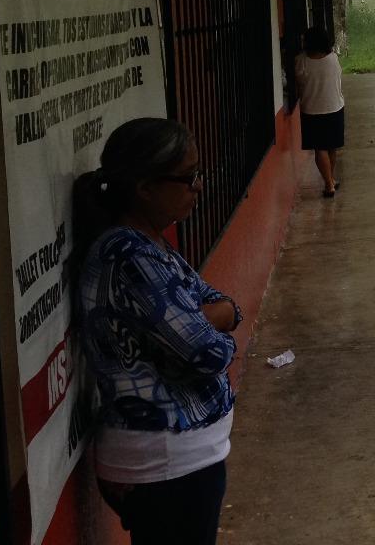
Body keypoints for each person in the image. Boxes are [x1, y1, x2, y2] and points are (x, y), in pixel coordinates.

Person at [73, 118, 240, 545]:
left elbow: (224, 303)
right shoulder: (129, 256)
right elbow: (207, 354)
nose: (198, 186)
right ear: (145, 187)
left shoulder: (153, 245)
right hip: (165, 466)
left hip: (178, 461)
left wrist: (209, 316)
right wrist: (215, 320)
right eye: (188, 178)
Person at [294, 24, 345, 197]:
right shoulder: (333, 59)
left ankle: (329, 184)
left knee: (319, 149)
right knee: (331, 146)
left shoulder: (301, 61)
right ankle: (331, 180)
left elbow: (299, 82)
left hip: (312, 110)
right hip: (334, 107)